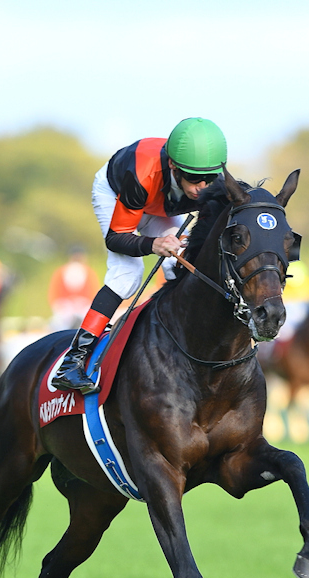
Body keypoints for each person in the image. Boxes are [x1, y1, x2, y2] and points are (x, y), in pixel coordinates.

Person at [53, 117, 227, 393]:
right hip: (119, 195)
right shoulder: (142, 175)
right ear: (173, 165)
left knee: (180, 263)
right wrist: (153, 244)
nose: (202, 188)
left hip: (159, 205)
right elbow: (116, 238)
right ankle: (72, 362)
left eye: (210, 179)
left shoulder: (209, 180)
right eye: (194, 179)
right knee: (127, 275)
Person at [47, 245, 101, 332]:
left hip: (84, 307)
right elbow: (55, 295)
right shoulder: (60, 272)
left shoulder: (89, 273)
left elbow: (93, 294)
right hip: (65, 308)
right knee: (58, 323)